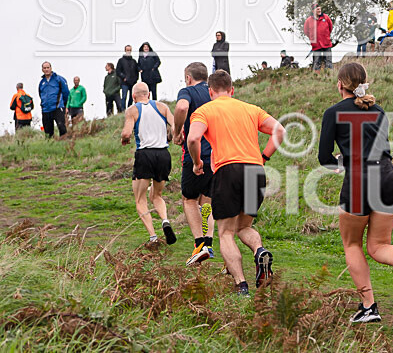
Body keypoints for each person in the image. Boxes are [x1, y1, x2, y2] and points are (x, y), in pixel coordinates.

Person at [318, 62, 393, 323]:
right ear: (365, 83)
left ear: (340, 85)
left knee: (352, 244)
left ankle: (369, 306)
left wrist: (339, 163)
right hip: (388, 177)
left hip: (359, 179)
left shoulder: (332, 112)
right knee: (380, 245)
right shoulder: (378, 111)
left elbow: (324, 156)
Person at [187, 70, 286, 295]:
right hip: (255, 170)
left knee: (226, 232)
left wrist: (196, 162)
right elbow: (280, 131)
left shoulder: (204, 110)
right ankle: (259, 251)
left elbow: (193, 138)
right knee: (244, 226)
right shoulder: (252, 109)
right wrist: (264, 157)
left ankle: (241, 284)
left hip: (227, 171)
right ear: (232, 90)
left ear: (211, 91)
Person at [120, 82, 176, 246]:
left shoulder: (132, 110)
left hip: (145, 155)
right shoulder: (162, 107)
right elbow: (176, 125)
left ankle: (153, 237)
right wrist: (170, 137)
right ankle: (165, 220)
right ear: (149, 94)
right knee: (157, 195)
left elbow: (126, 132)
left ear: (133, 96)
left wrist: (125, 139)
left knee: (140, 199)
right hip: (163, 155)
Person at [173, 62, 216, 266]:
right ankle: (208, 242)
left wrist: (177, 130)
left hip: (196, 152)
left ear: (188, 77)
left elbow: (182, 107)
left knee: (189, 199)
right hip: (217, 155)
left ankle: (199, 245)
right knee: (206, 201)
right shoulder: (214, 93)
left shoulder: (187, 91)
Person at [38, 61, 69, 139]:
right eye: (44, 68)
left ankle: (64, 143)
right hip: (46, 110)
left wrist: (65, 105)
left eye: (48, 67)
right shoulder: (42, 82)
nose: (46, 69)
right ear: (42, 70)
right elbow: (40, 94)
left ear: (51, 68)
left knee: (61, 126)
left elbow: (66, 93)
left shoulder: (59, 79)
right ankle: (50, 146)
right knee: (48, 132)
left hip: (58, 108)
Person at [303, 4, 334, 71]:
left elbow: (330, 27)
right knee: (316, 62)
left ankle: (329, 75)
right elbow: (306, 31)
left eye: (319, 9)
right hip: (316, 45)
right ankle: (316, 76)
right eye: (317, 9)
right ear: (313, 11)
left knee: (328, 61)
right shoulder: (309, 20)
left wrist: (326, 35)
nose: (319, 10)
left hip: (326, 43)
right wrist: (312, 38)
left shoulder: (326, 17)